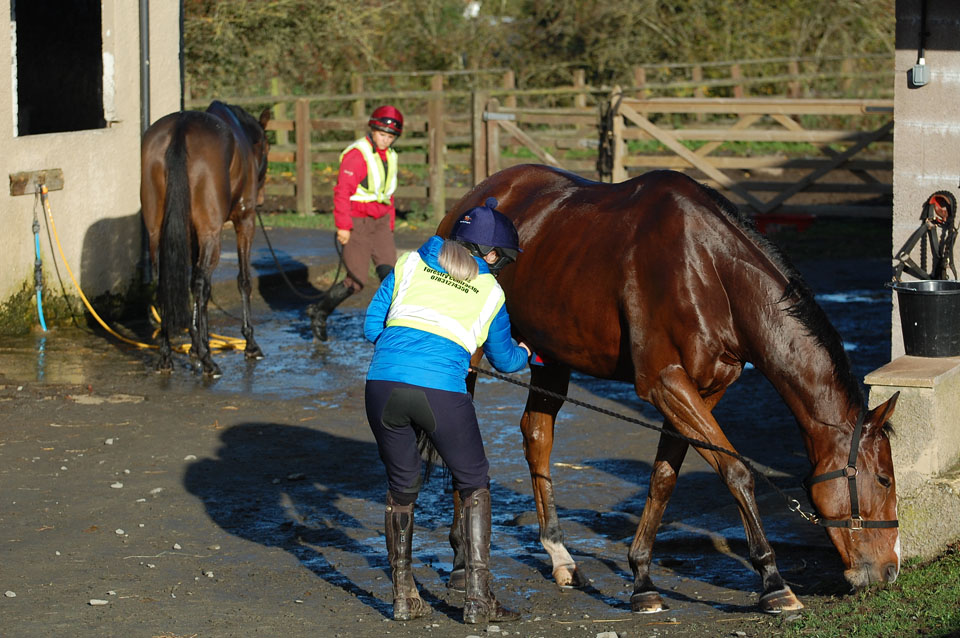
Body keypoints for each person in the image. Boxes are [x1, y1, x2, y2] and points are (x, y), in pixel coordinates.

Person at [363, 197, 530, 624]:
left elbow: (370, 327)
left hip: (382, 387)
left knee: (402, 487)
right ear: (491, 255)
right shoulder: (490, 290)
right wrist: (527, 353)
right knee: (473, 482)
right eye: (501, 259)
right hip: (439, 392)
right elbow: (505, 360)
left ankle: (403, 596)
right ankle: (477, 600)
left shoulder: (409, 264)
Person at [307, 105, 404, 340]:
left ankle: (392, 330)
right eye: (382, 135)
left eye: (390, 137)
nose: (385, 140)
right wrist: (343, 226)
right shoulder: (357, 155)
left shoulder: (390, 156)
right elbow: (342, 192)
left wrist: (389, 225)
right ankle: (319, 312)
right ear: (372, 129)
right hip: (357, 222)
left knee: (390, 277)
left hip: (380, 222)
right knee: (356, 281)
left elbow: (387, 193)